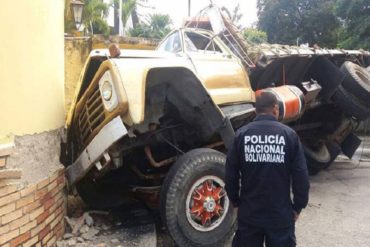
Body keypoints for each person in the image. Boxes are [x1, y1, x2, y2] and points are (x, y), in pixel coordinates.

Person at [225, 91, 310, 247]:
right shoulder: (289, 135)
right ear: (275, 108)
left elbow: (230, 174)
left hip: (249, 214)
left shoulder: (242, 135)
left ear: (256, 110)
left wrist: (236, 202)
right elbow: (301, 177)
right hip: (280, 215)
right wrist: (298, 206)